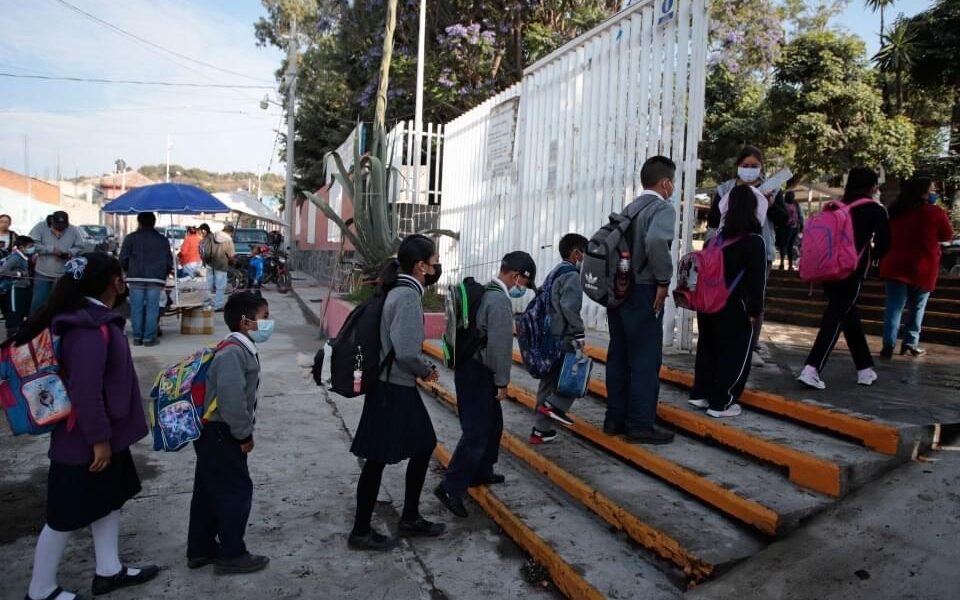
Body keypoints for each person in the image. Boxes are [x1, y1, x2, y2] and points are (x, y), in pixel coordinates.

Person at [15, 253, 159, 600]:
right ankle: (40, 589)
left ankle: (108, 570)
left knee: (108, 501)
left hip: (106, 434)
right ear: (113, 282)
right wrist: (98, 439)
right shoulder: (87, 329)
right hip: (84, 441)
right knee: (63, 517)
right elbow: (85, 389)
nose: (124, 281)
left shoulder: (95, 321)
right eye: (121, 275)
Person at [349, 234, 445, 551]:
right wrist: (425, 371)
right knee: (379, 458)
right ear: (421, 266)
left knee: (421, 445)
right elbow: (405, 351)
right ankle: (362, 531)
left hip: (391, 385)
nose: (437, 267)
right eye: (434, 262)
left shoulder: (399, 290)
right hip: (394, 387)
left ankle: (409, 518)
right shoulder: (407, 296)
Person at [435, 251, 536, 518]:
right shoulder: (499, 301)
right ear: (515, 276)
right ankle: (450, 487)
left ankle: (481, 471)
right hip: (480, 373)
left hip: (470, 368)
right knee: (477, 432)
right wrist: (502, 382)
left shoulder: (485, 292)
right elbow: (500, 348)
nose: (523, 289)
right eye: (524, 283)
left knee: (493, 425)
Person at [187, 292, 272, 575]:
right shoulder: (233, 353)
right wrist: (244, 434)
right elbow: (231, 400)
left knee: (208, 490)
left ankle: (200, 549)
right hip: (222, 432)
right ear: (245, 322)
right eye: (264, 317)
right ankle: (232, 553)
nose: (268, 323)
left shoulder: (236, 347)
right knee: (236, 491)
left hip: (214, 432)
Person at [604, 156, 676, 445]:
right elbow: (657, 241)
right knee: (645, 358)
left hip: (618, 290)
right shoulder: (662, 208)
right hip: (644, 289)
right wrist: (663, 280)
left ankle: (614, 419)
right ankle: (640, 424)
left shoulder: (630, 208)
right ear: (665, 183)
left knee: (619, 355)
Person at [798, 167, 890, 390]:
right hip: (851, 270)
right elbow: (885, 244)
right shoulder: (875, 210)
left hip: (828, 269)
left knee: (848, 317)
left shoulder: (836, 206)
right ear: (872, 186)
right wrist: (870, 255)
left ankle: (865, 369)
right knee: (836, 318)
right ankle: (812, 368)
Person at [688, 186, 768, 418]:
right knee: (734, 353)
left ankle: (700, 393)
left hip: (707, 304)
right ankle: (722, 403)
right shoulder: (754, 241)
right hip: (733, 305)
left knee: (708, 348)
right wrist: (755, 311)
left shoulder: (714, 239)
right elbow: (757, 282)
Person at [708, 146, 788, 368]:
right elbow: (713, 220)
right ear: (737, 166)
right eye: (745, 165)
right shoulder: (725, 188)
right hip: (726, 251)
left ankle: (751, 346)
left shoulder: (772, 189)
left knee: (755, 299)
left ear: (761, 167)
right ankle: (723, 342)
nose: (750, 170)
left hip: (760, 250)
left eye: (754, 166)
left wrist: (769, 205)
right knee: (725, 297)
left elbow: (783, 219)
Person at [879, 176, 954, 358]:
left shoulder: (895, 211)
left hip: (895, 264)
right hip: (922, 266)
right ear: (923, 193)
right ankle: (910, 343)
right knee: (917, 307)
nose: (934, 193)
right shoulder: (935, 213)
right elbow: (947, 235)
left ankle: (888, 345)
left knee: (894, 306)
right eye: (932, 190)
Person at [529, 234, 588, 444]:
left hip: (548, 336)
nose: (585, 259)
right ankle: (555, 406)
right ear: (576, 253)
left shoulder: (555, 272)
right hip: (564, 337)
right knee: (577, 375)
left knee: (548, 383)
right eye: (584, 253)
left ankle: (539, 431)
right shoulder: (572, 275)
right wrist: (579, 332)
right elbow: (569, 307)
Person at [119, 212, 173, 347]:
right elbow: (169, 261)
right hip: (155, 279)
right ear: (154, 223)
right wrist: (164, 274)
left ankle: (137, 337)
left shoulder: (130, 238)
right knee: (152, 309)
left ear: (139, 222)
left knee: (136, 309)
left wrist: (127, 271)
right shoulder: (162, 240)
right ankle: (149, 338)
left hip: (135, 277)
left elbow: (123, 258)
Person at [28, 211, 85, 315]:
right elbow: (31, 245)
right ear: (52, 221)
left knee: (60, 304)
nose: (60, 229)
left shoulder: (73, 230)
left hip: (63, 273)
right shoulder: (40, 227)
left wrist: (70, 252)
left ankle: (56, 323)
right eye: (58, 225)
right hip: (43, 272)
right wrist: (51, 250)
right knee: (38, 303)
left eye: (63, 226)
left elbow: (80, 246)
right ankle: (34, 323)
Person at [0, 235, 36, 337]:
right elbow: (2, 271)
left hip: (23, 288)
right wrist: (19, 274)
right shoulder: (15, 257)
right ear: (21, 247)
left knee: (21, 311)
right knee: (14, 311)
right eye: (30, 246)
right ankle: (11, 335)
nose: (32, 248)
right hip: (15, 288)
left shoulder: (23, 257)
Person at [203, 225, 236, 311]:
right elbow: (231, 255)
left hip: (210, 263)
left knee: (208, 285)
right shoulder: (228, 240)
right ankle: (218, 305)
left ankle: (206, 303)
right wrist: (233, 261)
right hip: (221, 265)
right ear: (231, 232)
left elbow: (206, 250)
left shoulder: (213, 236)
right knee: (220, 286)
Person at [778, 191, 804, 270]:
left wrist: (801, 224)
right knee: (784, 246)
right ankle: (782, 263)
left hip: (794, 228)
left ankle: (789, 265)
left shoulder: (795, 204)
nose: (792, 198)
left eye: (793, 196)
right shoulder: (783, 204)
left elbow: (799, 214)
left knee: (790, 246)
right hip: (785, 228)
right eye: (791, 196)